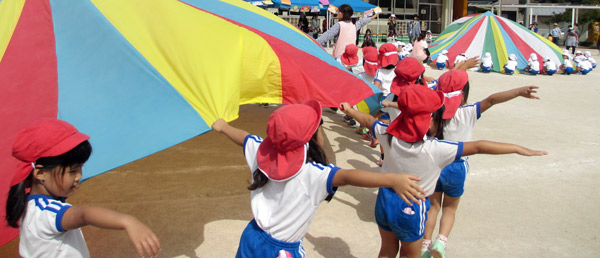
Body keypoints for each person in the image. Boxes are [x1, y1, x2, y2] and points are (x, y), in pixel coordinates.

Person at [339, 85, 546, 258]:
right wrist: (520, 149)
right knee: (409, 255)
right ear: (428, 120)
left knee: (386, 250)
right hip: (412, 204)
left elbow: (367, 120)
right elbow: (479, 146)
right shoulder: (436, 150)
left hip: (385, 199)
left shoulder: (386, 134)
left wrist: (348, 110)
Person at [211, 101, 426, 258]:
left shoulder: (261, 152)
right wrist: (392, 180)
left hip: (251, 237)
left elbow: (244, 137)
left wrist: (222, 127)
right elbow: (349, 177)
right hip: (282, 251)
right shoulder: (312, 174)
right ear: (313, 139)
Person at [421, 71, 541, 258]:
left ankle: (425, 245)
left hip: (436, 164)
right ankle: (440, 242)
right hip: (457, 166)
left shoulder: (432, 113)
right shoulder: (468, 112)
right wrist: (518, 91)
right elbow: (492, 99)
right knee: (450, 208)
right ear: (463, 94)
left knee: (433, 206)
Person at [5, 119, 161, 258]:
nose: (78, 176)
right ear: (40, 173)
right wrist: (128, 221)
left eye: (80, 168)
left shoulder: (31, 204)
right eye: (72, 171)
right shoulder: (47, 211)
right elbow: (85, 214)